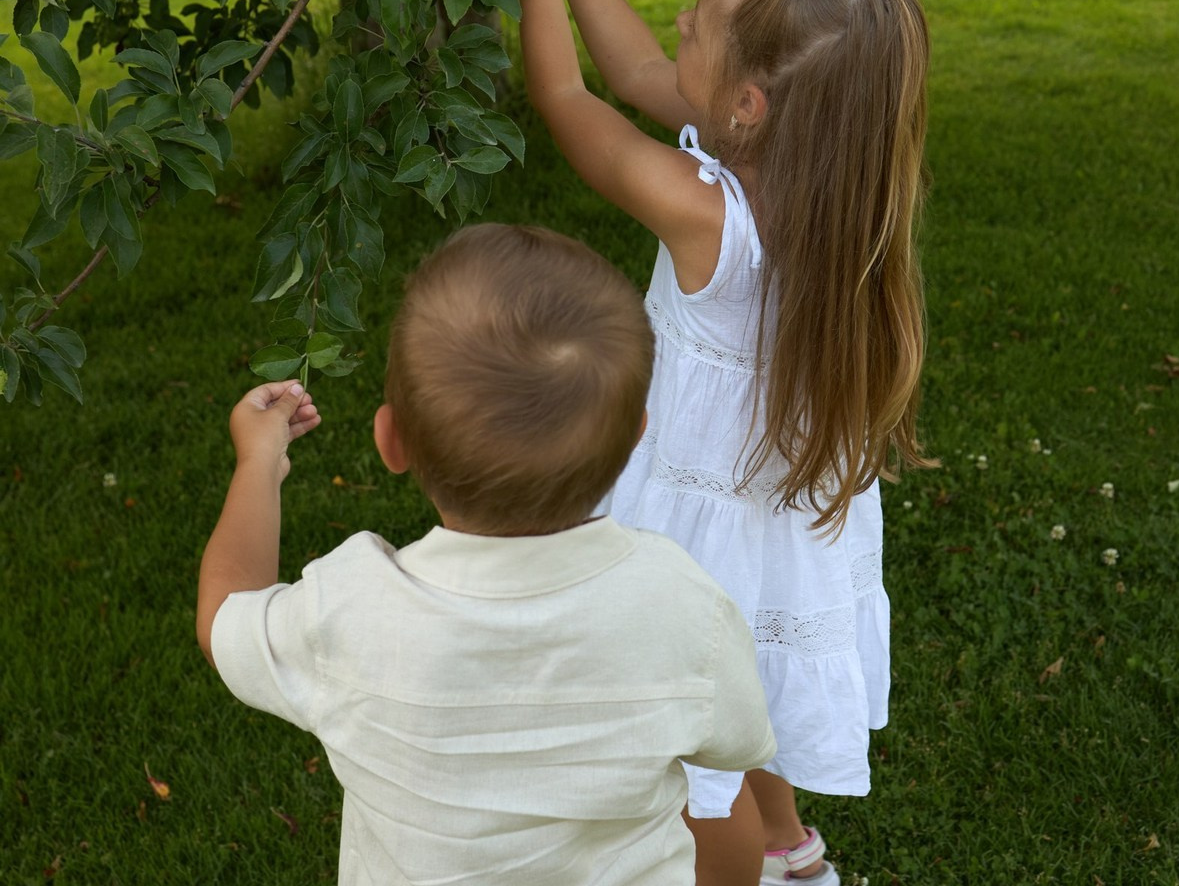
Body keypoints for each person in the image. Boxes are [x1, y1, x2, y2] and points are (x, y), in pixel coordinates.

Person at [484, 0, 932, 886]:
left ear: (748, 104)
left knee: (691, 767)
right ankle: (789, 852)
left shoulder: (703, 213)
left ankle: (735, 864)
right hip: (768, 522)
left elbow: (567, 96)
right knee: (750, 689)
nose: (677, 20)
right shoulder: (826, 175)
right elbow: (640, 71)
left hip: (699, 534)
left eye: (697, 16)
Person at [197, 222, 777, 886]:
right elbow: (736, 745)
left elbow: (226, 618)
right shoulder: (681, 605)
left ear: (391, 442)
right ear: (634, 441)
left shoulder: (349, 611)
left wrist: (259, 463)